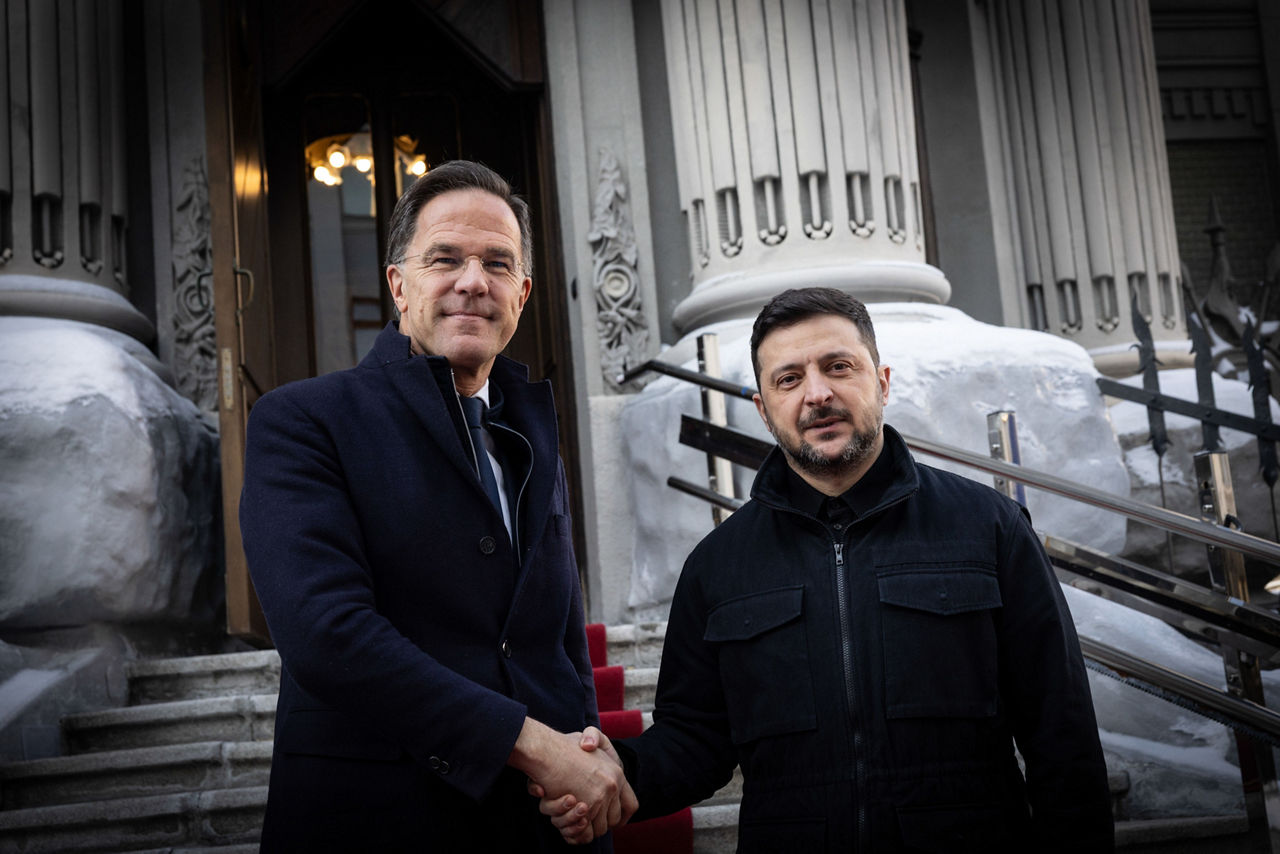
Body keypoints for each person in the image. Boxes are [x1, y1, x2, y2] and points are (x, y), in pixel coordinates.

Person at [541, 287, 1114, 851]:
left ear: (882, 383)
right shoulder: (717, 566)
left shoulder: (989, 528)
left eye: (838, 366)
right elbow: (696, 740)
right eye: (788, 379)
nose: (817, 394)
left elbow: (1061, 734)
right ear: (764, 411)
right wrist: (618, 775)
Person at [240, 159, 635, 851]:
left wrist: (582, 758)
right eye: (445, 258)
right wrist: (534, 745)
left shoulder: (533, 436)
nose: (473, 282)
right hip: (381, 821)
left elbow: (563, 644)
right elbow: (326, 635)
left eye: (498, 263)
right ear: (399, 284)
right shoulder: (303, 420)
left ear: (524, 291)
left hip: (541, 829)